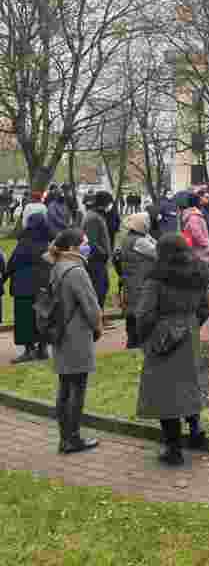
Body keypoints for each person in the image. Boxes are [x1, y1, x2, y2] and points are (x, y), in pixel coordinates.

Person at [134, 233, 209, 465]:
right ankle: (196, 429)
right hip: (190, 331)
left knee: (165, 391)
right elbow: (206, 308)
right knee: (190, 383)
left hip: (162, 335)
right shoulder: (199, 273)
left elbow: (144, 314)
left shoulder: (156, 277)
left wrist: (146, 337)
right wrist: (191, 325)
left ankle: (173, 448)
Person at [49, 228, 103, 454]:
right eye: (84, 243)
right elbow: (91, 307)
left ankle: (65, 437)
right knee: (77, 389)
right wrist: (97, 328)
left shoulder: (57, 265)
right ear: (72, 247)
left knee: (64, 388)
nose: (87, 246)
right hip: (76, 335)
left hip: (60, 333)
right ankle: (73, 438)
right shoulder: (76, 271)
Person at [4, 213, 52, 362]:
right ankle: (43, 349)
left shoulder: (23, 243)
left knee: (25, 320)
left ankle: (29, 350)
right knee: (43, 318)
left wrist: (3, 279)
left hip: (23, 288)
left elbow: (11, 264)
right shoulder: (48, 244)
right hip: (43, 287)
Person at [119, 213, 158, 349]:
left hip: (130, 280)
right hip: (140, 281)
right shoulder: (139, 241)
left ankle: (132, 341)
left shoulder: (128, 238)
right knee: (140, 311)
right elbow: (157, 251)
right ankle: (136, 342)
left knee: (131, 311)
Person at [81, 192, 113, 311]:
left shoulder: (96, 216)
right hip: (95, 260)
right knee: (98, 290)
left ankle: (99, 314)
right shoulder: (93, 218)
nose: (110, 206)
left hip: (98, 259)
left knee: (103, 287)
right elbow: (92, 241)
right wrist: (103, 254)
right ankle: (96, 316)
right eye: (109, 203)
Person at [180, 193, 209, 265]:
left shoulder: (192, 214)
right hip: (199, 252)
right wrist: (206, 244)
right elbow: (197, 234)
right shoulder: (194, 216)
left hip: (197, 251)